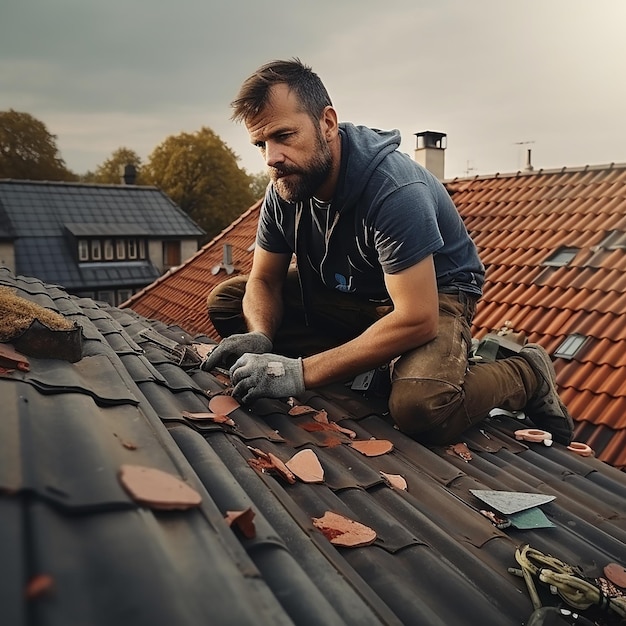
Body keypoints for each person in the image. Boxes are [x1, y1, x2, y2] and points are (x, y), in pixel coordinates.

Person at [202, 58, 574, 446]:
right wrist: (261, 335)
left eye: (284, 135)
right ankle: (375, 365)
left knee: (421, 408)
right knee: (229, 302)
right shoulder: (286, 185)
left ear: (327, 123)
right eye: (261, 144)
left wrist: (299, 374)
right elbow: (263, 279)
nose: (271, 158)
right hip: (351, 292)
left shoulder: (393, 189)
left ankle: (526, 372)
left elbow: (417, 318)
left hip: (431, 295)